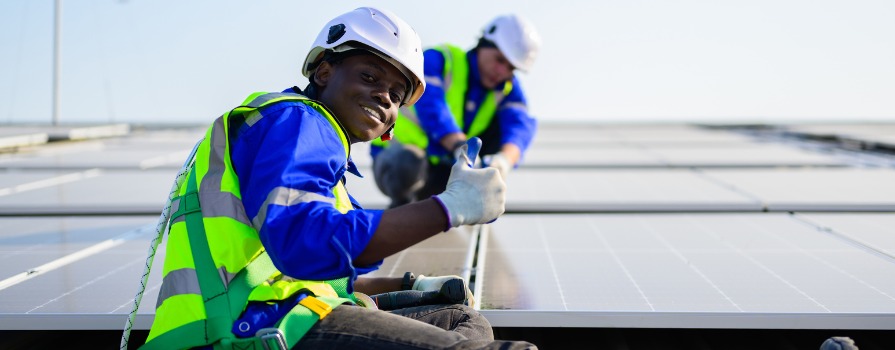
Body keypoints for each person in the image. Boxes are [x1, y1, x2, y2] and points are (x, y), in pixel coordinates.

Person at [140, 7, 535, 350]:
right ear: (325, 72)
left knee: (464, 320)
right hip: (240, 328)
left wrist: (409, 283)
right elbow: (300, 243)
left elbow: (322, 281)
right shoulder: (297, 120)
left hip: (276, 313)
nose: (384, 96)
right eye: (369, 77)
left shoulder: (320, 167)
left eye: (397, 94)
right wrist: (447, 208)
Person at [370, 14, 541, 208]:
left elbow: (521, 124)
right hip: (396, 159)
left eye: (511, 67)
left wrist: (504, 161)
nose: (502, 71)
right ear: (484, 44)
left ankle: (439, 217)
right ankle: (399, 217)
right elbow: (431, 105)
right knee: (409, 165)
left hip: (443, 166)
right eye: (500, 60)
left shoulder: (507, 88)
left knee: (473, 184)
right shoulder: (442, 60)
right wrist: (460, 147)